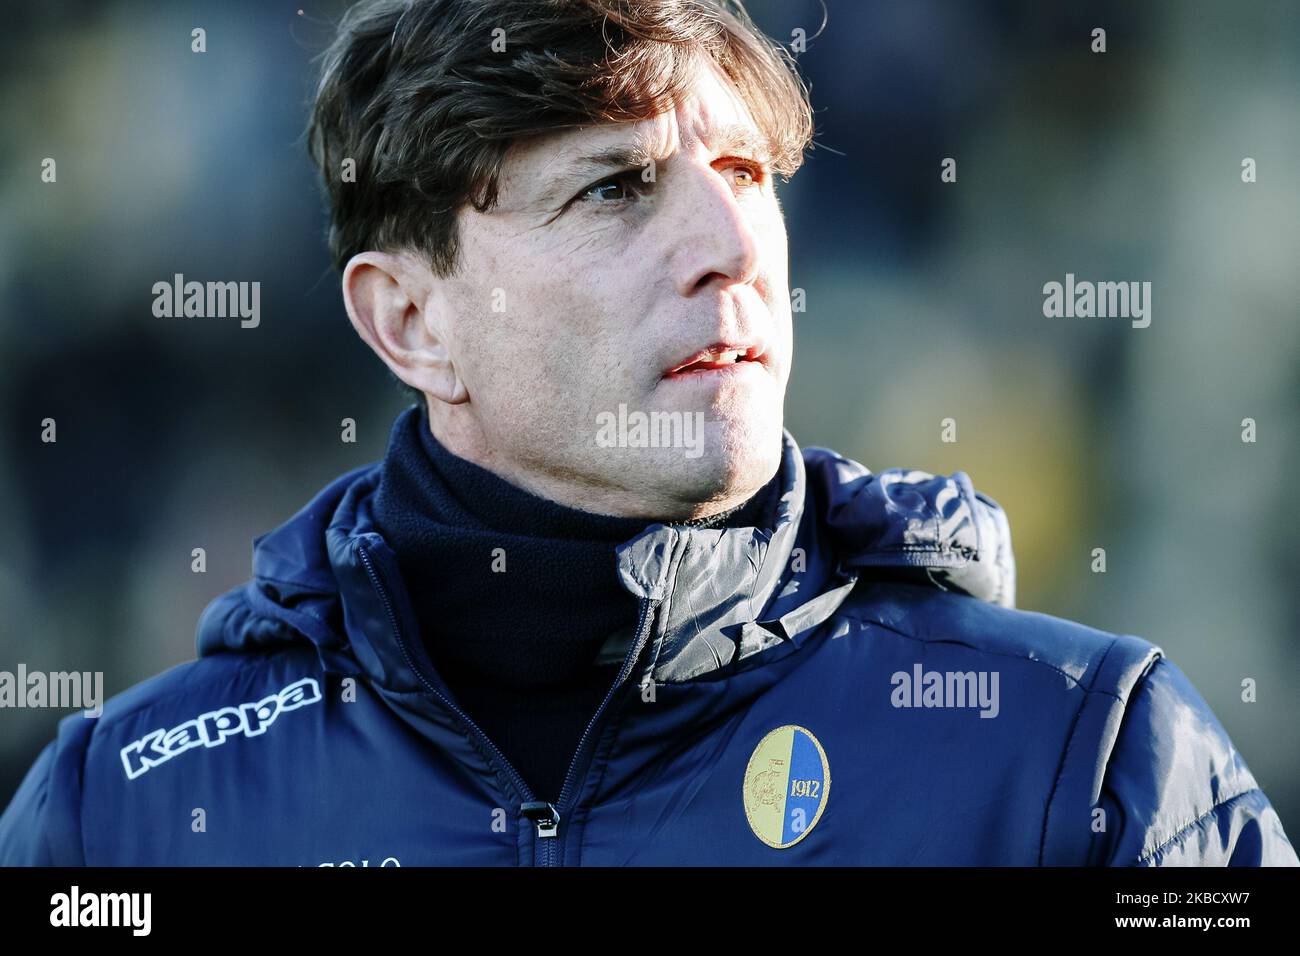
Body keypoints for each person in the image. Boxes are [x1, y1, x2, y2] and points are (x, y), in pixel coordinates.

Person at [1, 0, 1294, 866]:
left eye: (746, 176)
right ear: (409, 322)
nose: (734, 250)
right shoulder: (126, 815)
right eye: (615, 187)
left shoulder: (1079, 761)